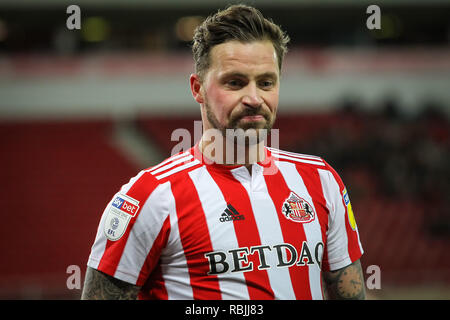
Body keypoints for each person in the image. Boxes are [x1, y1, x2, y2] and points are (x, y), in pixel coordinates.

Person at [81, 4, 365, 300]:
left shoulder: (321, 180)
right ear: (198, 88)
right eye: (235, 82)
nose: (254, 98)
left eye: (266, 82)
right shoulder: (150, 197)